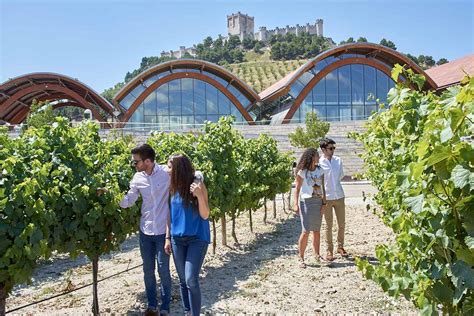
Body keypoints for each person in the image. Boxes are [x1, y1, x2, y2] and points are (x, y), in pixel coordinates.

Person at [119, 144, 171, 316]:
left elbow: (192, 174)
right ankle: (152, 305)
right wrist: (113, 197)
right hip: (145, 231)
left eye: (136, 161)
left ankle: (165, 307)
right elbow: (129, 200)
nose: (134, 164)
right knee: (148, 270)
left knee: (163, 269)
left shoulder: (166, 173)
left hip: (163, 231)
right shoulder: (137, 178)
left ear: (148, 161)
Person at [167, 154, 210, 316]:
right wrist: (167, 237)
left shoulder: (197, 185)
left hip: (197, 239)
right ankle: (188, 311)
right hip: (177, 239)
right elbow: (169, 215)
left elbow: (205, 215)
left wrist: (199, 195)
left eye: (170, 167)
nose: (167, 170)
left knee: (191, 279)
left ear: (179, 169)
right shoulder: (172, 187)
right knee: (183, 281)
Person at [293, 148, 327, 268]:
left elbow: (323, 187)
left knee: (317, 231)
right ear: (312, 157)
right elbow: (297, 189)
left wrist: (324, 203)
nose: (319, 157)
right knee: (306, 231)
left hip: (318, 202)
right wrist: (296, 204)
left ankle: (317, 255)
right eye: (317, 155)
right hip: (306, 202)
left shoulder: (320, 170)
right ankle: (301, 257)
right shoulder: (302, 172)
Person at [319, 138, 348, 261]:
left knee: (342, 223)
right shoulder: (319, 163)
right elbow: (319, 181)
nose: (333, 150)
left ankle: (340, 247)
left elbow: (340, 175)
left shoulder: (338, 161)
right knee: (328, 225)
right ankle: (329, 251)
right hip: (327, 198)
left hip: (339, 196)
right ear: (323, 149)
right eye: (330, 148)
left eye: (334, 148)